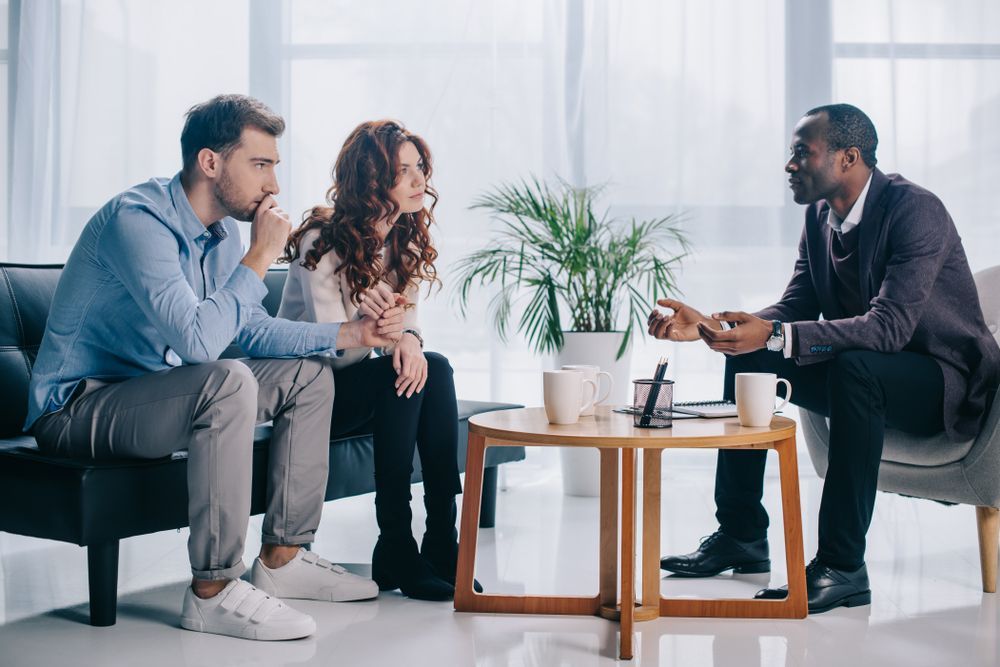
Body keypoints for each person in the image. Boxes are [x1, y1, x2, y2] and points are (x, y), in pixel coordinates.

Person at [25, 95, 407, 640]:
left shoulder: (223, 234)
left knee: (308, 372)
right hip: (77, 407)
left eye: (274, 165)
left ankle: (283, 557)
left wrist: (351, 334)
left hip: (151, 393)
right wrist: (259, 256)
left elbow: (245, 328)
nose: (274, 183)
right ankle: (214, 590)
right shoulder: (138, 221)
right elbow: (202, 343)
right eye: (260, 165)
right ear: (210, 162)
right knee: (227, 381)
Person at [649, 103, 1000, 613]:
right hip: (872, 372)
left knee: (853, 368)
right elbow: (796, 305)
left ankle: (842, 566)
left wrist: (777, 333)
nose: (790, 165)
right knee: (750, 355)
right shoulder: (819, 216)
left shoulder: (915, 211)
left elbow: (889, 328)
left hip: (945, 385)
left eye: (801, 153)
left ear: (848, 158)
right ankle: (741, 534)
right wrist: (718, 328)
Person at [279, 119, 472, 602]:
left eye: (419, 168)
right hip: (309, 392)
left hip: (360, 379)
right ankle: (396, 542)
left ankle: (442, 541)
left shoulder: (402, 239)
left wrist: (406, 338)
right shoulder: (319, 242)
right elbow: (339, 351)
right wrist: (395, 339)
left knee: (437, 368)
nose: (418, 180)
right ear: (370, 180)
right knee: (398, 375)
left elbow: (406, 332)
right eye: (402, 171)